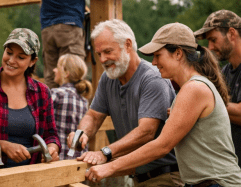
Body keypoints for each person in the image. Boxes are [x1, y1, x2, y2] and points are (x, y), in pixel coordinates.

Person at [86, 22, 241, 187]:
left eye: (158, 55)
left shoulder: (193, 89)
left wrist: (109, 167)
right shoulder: (191, 88)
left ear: (178, 54)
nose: (153, 62)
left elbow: (162, 146)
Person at [67, 19, 182, 186]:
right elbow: (93, 116)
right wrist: (82, 134)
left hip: (166, 177)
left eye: (107, 51)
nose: (102, 59)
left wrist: (105, 152)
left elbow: (146, 132)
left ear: (128, 45)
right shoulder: (108, 78)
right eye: (99, 54)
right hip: (137, 177)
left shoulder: (152, 79)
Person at [0, 28, 61, 169]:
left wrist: (52, 149)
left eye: (21, 57)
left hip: (33, 175)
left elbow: (51, 135)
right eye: (9, 53)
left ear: (32, 61)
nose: (11, 60)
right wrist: (3, 146)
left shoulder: (42, 92)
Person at [194, 10, 241, 167]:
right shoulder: (225, 72)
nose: (210, 47)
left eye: (213, 40)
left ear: (232, 34)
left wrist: (199, 105)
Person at [41, 0, 106, 88]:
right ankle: (71, 103)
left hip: (47, 28)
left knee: (52, 77)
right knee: (73, 75)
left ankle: (51, 103)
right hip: (69, 26)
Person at [51, 54, 92, 160]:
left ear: (66, 73)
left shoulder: (56, 94)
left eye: (58, 67)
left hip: (58, 158)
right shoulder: (84, 100)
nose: (54, 70)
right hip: (78, 160)